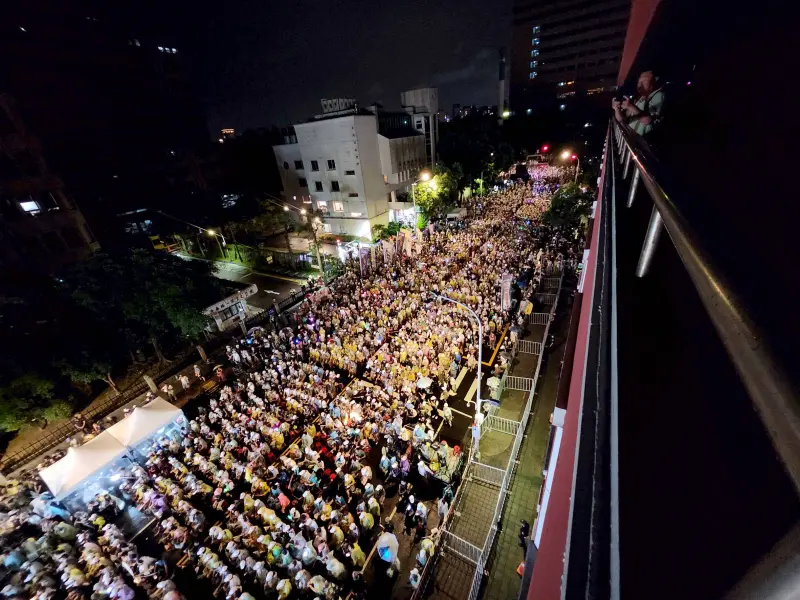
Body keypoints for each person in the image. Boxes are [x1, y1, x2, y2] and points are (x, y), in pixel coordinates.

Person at [612, 69, 664, 137]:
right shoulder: (640, 99)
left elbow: (647, 121)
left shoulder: (659, 95)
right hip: (629, 139)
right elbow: (622, 121)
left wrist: (631, 106)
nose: (639, 85)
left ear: (653, 82)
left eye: (644, 82)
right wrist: (617, 109)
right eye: (639, 82)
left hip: (640, 143)